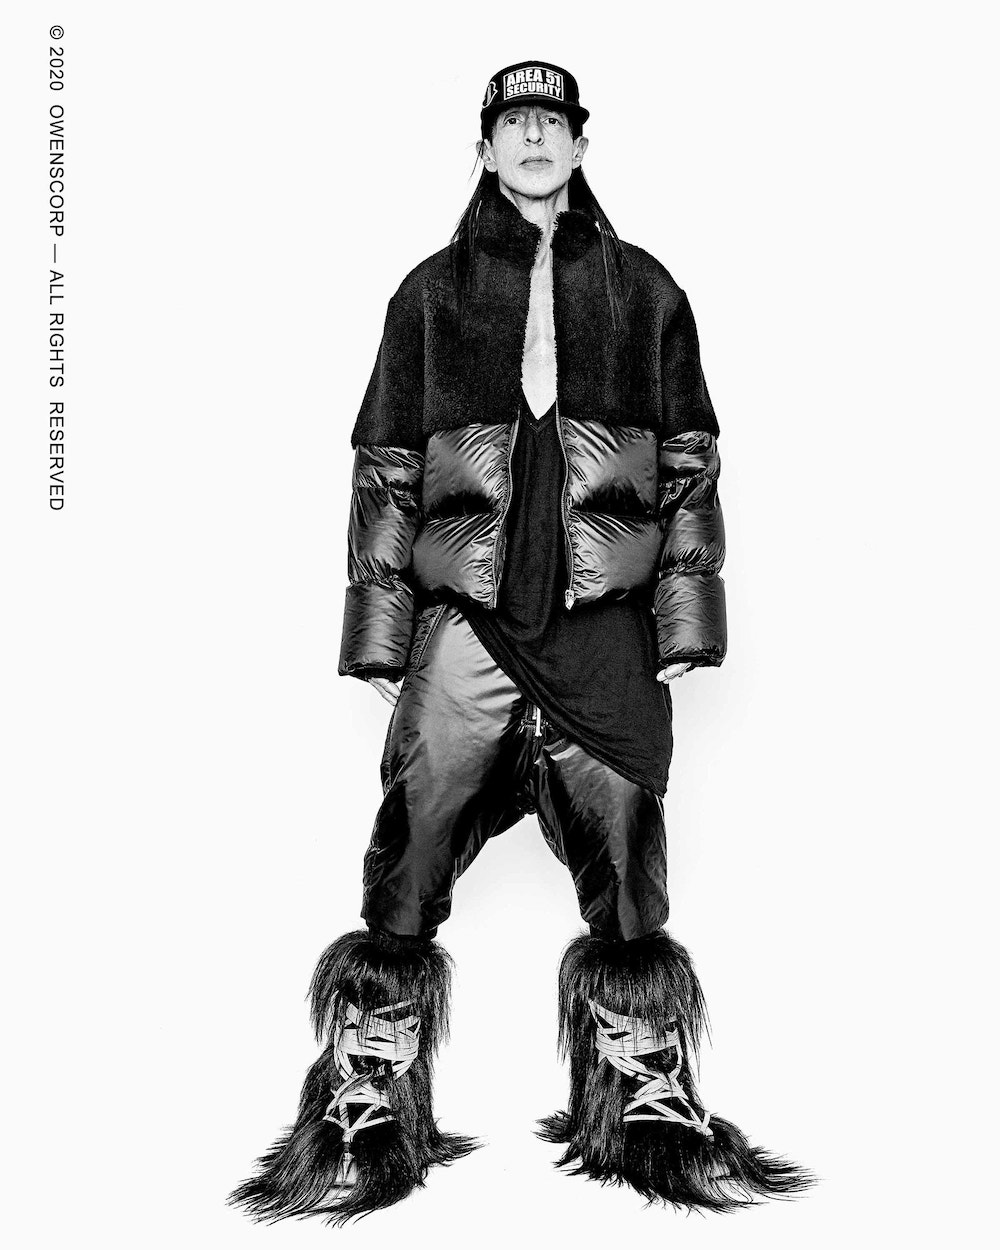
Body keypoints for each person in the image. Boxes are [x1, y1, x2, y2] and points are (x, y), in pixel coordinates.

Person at [229, 59, 815, 1226]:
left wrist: (687, 619)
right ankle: (364, 1106)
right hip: (467, 625)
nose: (535, 139)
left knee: (627, 859)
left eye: (553, 121)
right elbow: (387, 469)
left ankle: (645, 1108)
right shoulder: (429, 295)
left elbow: (689, 462)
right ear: (486, 147)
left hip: (603, 625)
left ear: (581, 145)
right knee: (409, 852)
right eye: (515, 124)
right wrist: (381, 636)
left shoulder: (645, 290)